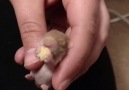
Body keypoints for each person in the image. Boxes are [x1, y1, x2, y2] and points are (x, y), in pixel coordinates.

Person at [7, 0, 110, 90]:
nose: (48, 42)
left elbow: (55, 63)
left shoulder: (60, 53)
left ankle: (47, 85)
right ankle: (32, 75)